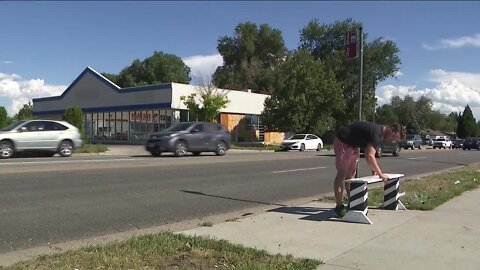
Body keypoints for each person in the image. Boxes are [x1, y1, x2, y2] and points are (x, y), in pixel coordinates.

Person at [332, 121, 397, 217]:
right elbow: (369, 156)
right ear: (391, 129)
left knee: (351, 175)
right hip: (343, 141)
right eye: (393, 137)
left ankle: (353, 202)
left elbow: (370, 153)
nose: (392, 140)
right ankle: (339, 206)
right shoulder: (376, 134)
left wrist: (374, 170)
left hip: (354, 145)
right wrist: (380, 174)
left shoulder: (379, 134)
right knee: (342, 174)